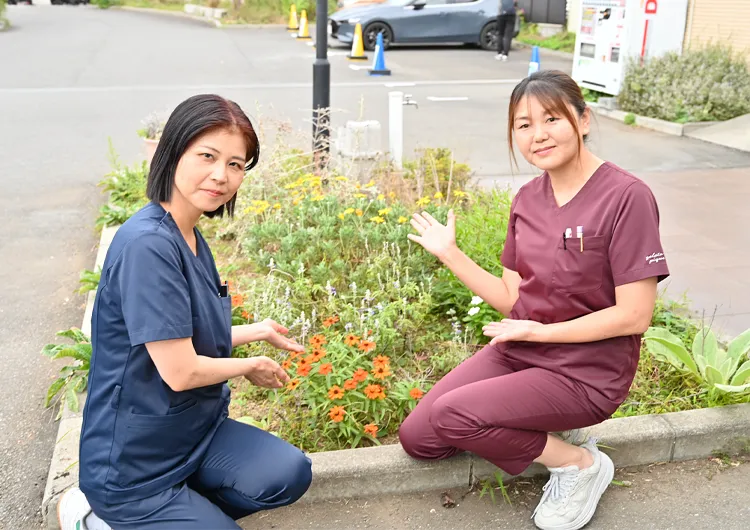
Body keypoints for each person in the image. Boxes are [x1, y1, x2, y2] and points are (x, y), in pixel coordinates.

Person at [401, 70, 669, 530]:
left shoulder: (627, 197)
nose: (538, 135)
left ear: (583, 120)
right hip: (524, 350)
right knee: (421, 437)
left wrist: (543, 332)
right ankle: (545, 424)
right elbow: (511, 298)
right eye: (523, 125)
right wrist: (451, 254)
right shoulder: (527, 198)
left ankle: (578, 465)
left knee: (454, 415)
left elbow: (635, 315)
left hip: (586, 372)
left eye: (551, 119)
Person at [56, 94, 313, 530]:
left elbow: (178, 335)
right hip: (135, 465)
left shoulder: (187, 232)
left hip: (194, 433)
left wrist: (256, 331)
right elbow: (180, 371)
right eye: (208, 156)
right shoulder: (149, 245)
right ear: (173, 152)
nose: (221, 176)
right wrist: (249, 364)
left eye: (236, 164)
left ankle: (185, 515)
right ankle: (96, 519)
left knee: (287, 474)